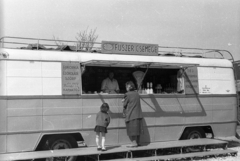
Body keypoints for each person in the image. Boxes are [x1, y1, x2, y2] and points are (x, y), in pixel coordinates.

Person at [123, 81, 144, 147]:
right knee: (137, 129)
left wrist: (123, 101)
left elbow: (124, 104)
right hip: (138, 114)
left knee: (132, 129)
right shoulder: (137, 94)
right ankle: (138, 142)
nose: (126, 88)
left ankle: (134, 143)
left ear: (128, 87)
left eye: (126, 87)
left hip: (131, 114)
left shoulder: (127, 94)